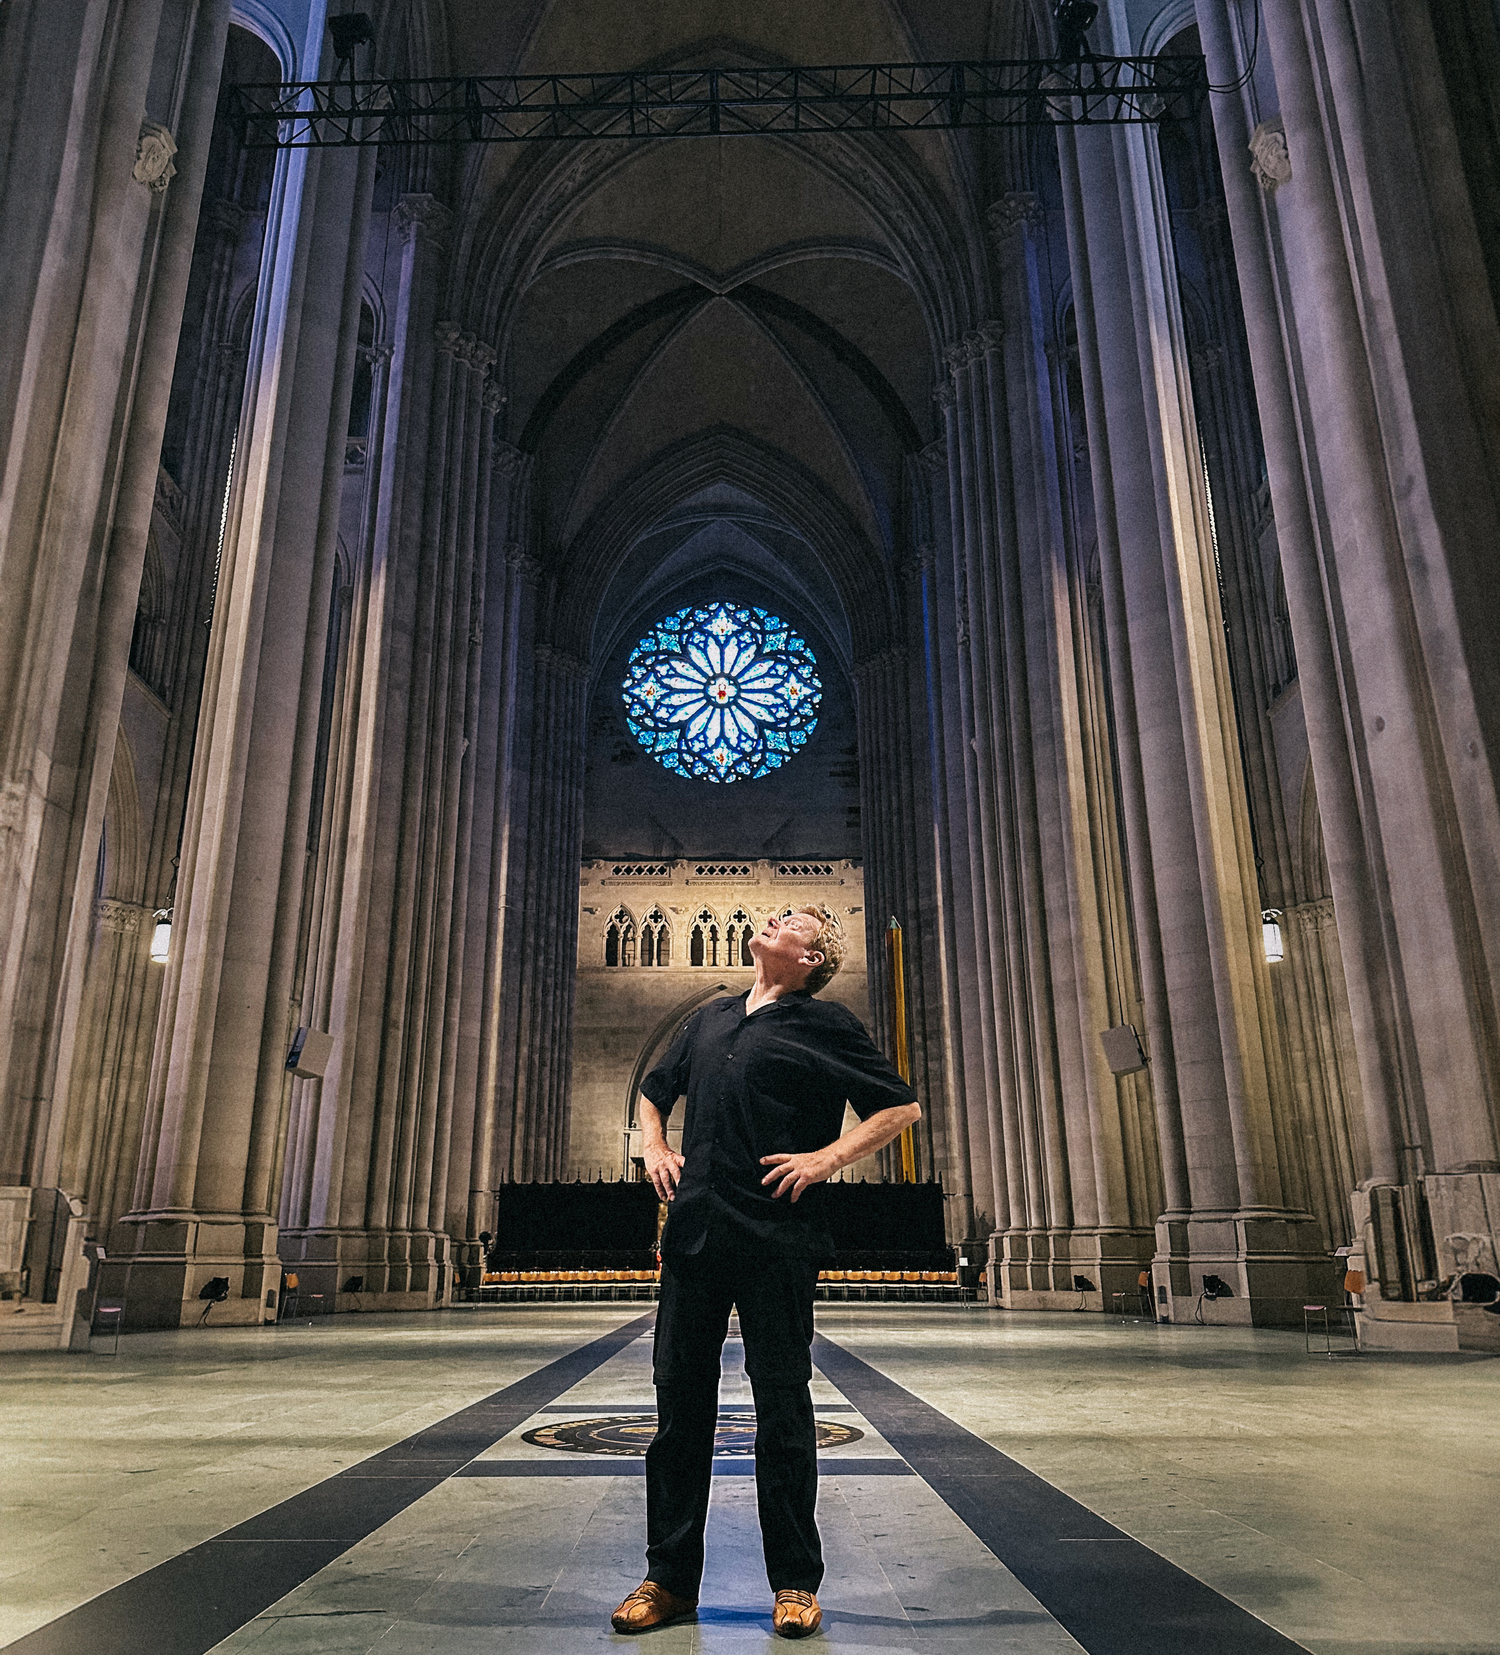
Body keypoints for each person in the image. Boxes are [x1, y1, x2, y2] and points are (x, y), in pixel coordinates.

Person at [610, 905, 921, 1639]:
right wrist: (653, 1147)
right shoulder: (712, 1016)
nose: (774, 920)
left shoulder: (827, 1024)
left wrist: (827, 1158)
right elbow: (657, 1090)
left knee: (783, 1410)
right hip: (695, 1235)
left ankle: (794, 1582)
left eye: (792, 921)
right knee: (679, 1409)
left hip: (777, 1236)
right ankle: (668, 1579)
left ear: (811, 958)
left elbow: (900, 1107)